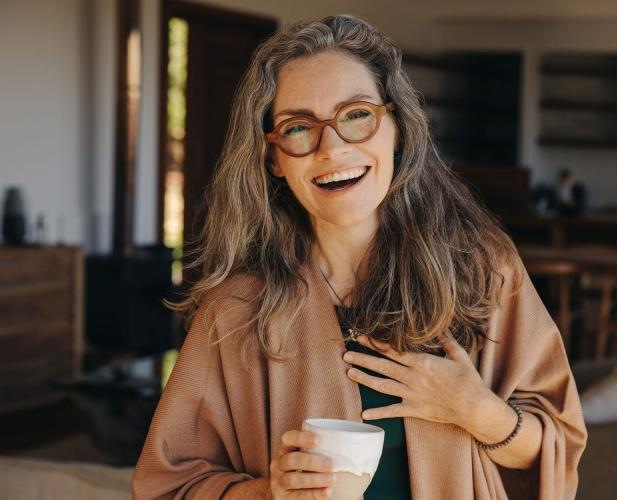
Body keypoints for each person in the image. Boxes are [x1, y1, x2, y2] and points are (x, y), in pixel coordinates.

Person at [132, 14, 586, 500]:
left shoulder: (481, 269)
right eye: (299, 127)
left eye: (356, 115)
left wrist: (475, 409)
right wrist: (269, 492)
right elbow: (167, 487)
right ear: (274, 158)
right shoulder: (237, 310)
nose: (332, 148)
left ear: (398, 126)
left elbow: (555, 453)